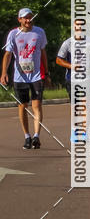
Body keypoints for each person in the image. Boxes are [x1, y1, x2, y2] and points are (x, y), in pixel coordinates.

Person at [1, 8, 48, 149]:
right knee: (23, 106)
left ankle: (36, 137)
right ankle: (27, 136)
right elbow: (8, 55)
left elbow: (43, 52)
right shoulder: (14, 34)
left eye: (30, 17)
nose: (28, 20)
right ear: (19, 20)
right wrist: (4, 72)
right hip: (19, 77)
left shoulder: (39, 32)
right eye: (25, 18)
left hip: (36, 76)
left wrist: (47, 71)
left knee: (36, 106)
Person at [56, 18, 85, 102]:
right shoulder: (68, 43)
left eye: (82, 25)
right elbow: (58, 60)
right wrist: (72, 66)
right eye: (77, 25)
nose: (80, 27)